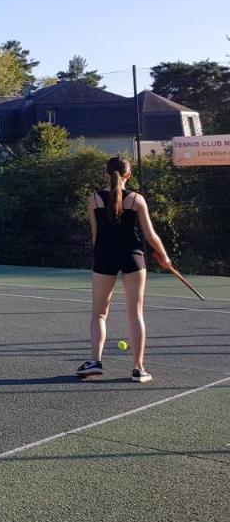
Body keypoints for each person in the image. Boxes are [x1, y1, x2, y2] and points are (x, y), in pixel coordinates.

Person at [76, 156, 171, 382]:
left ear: (107, 173)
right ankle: (138, 368)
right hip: (133, 256)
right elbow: (150, 236)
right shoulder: (137, 200)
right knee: (135, 313)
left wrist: (99, 255)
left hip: (104, 256)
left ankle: (95, 362)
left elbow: (95, 235)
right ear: (128, 174)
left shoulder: (94, 199)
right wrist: (165, 257)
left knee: (99, 313)